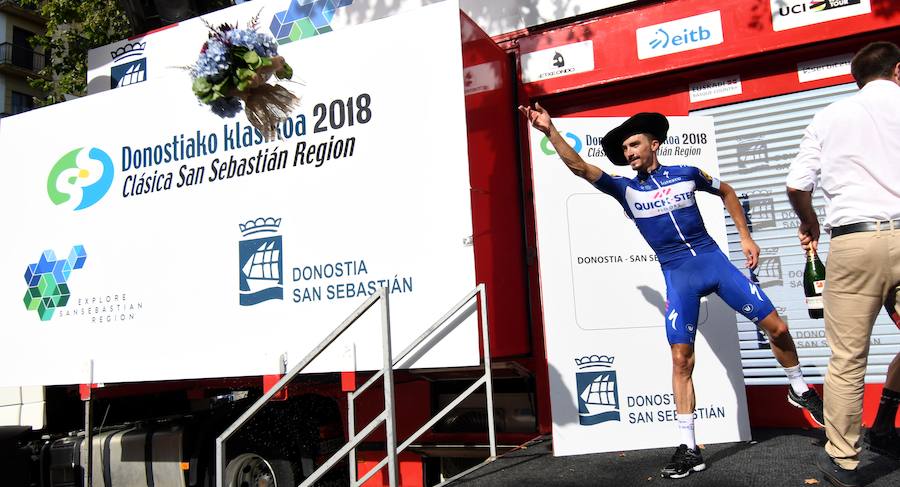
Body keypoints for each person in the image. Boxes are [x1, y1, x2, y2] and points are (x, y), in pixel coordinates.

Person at [520, 105, 824, 479]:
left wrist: (745, 236)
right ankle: (689, 447)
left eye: (634, 144)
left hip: (714, 262)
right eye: (625, 148)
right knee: (682, 359)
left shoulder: (687, 174)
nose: (629, 152)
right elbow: (581, 168)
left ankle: (798, 387)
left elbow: (727, 191)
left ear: (655, 144)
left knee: (777, 327)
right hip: (678, 274)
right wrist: (550, 131)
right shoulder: (624, 188)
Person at [786, 41, 900, 487]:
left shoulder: (829, 116)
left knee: (848, 360)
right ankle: (886, 422)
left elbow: (797, 184)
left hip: (853, 244)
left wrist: (810, 222)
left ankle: (844, 462)